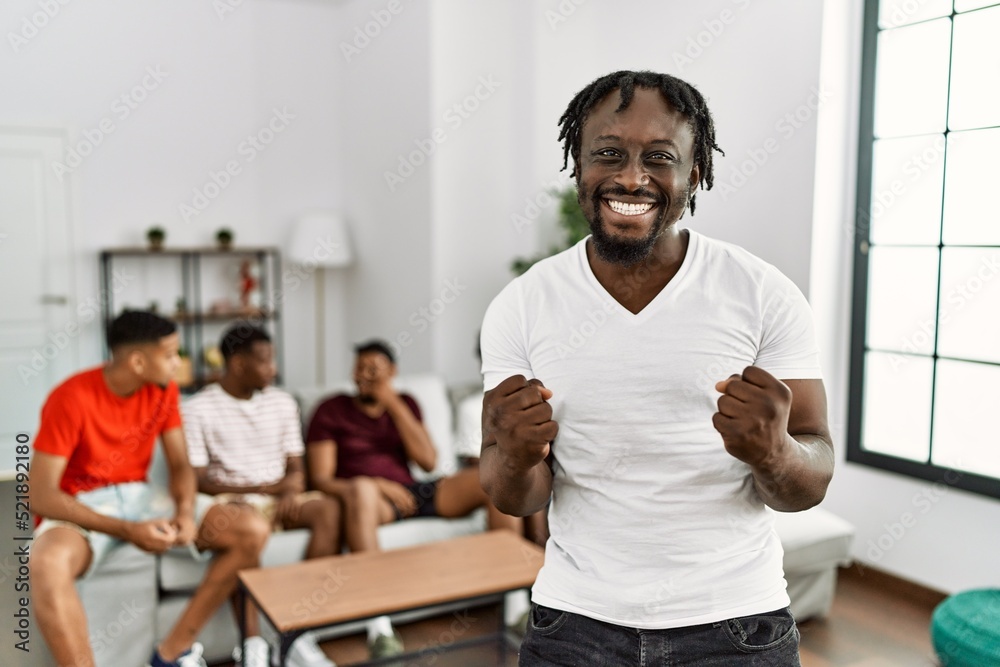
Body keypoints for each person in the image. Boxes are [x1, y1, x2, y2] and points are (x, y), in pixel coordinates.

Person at [479, 70, 834, 666]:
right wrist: (516, 457)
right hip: (576, 625)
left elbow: (812, 478)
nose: (631, 177)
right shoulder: (523, 304)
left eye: (660, 157)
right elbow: (515, 497)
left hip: (737, 624)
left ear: (694, 173)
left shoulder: (763, 293)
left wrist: (773, 451)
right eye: (609, 154)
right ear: (578, 164)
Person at [29, 311, 270, 667]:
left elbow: (179, 465)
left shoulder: (164, 390)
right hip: (85, 503)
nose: (178, 363)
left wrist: (186, 512)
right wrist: (126, 530)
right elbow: (40, 494)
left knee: (251, 528)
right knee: (45, 563)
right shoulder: (70, 397)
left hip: (141, 496)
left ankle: (171, 653)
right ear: (138, 361)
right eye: (171, 354)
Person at [305, 339, 522, 658]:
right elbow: (321, 479)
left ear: (392, 372)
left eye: (374, 369)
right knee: (362, 491)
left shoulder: (405, 403)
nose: (365, 375)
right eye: (359, 368)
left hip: (412, 492)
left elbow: (428, 461)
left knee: (496, 474)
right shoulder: (331, 409)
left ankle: (515, 606)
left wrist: (391, 401)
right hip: (369, 499)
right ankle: (379, 626)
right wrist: (376, 484)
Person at [182, 324, 341, 667]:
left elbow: (296, 466)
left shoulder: (282, 403)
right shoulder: (197, 408)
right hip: (230, 501)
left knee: (328, 509)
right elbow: (198, 481)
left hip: (278, 497)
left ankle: (301, 631)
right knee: (249, 527)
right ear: (238, 364)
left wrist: (293, 488)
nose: (274, 369)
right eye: (265, 361)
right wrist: (265, 490)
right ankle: (252, 647)